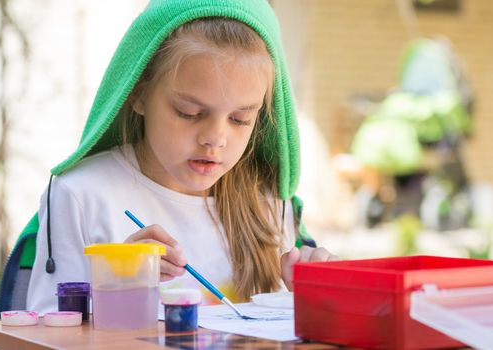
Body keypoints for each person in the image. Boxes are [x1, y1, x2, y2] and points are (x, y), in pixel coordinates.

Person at [26, 0, 338, 313]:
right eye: (188, 112)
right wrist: (120, 284)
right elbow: (42, 331)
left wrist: (318, 297)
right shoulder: (81, 194)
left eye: (240, 119)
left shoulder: (267, 200)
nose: (215, 138)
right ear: (138, 93)